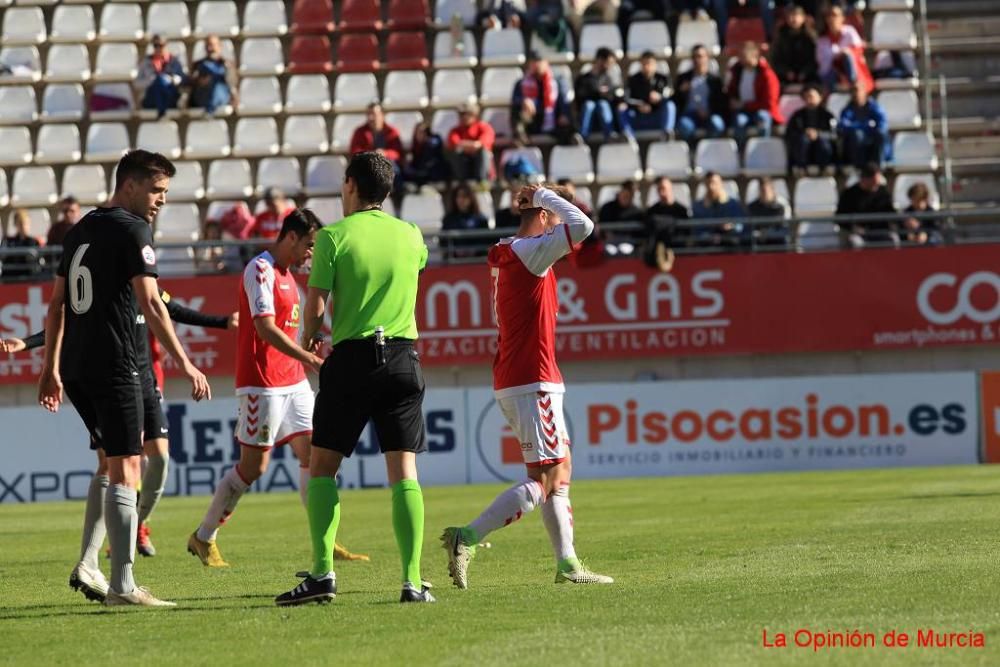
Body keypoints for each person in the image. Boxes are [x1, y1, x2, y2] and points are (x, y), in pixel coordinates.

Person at [38, 150, 212, 607]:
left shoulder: (81, 229)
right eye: (156, 191)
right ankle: (124, 585)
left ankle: (91, 564)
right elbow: (153, 304)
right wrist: (185, 362)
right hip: (115, 364)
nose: (161, 201)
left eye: (166, 193)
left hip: (76, 366)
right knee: (128, 468)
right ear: (129, 185)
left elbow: (56, 304)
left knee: (110, 463)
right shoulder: (133, 229)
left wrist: (50, 369)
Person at [276, 151, 433, 606]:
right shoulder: (410, 234)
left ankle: (323, 575)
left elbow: (317, 303)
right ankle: (412, 581)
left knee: (323, 467)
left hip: (351, 358)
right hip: (403, 357)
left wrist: (308, 340)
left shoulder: (332, 237)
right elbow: (415, 267)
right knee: (404, 471)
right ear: (387, 191)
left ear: (349, 185)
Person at [441, 183, 613, 589]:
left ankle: (568, 564)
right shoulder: (530, 252)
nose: (559, 225)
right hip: (532, 379)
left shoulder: (512, 250)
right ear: (542, 215)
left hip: (523, 377)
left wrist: (548, 199)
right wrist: (543, 196)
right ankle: (466, 537)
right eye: (553, 214)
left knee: (557, 470)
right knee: (547, 480)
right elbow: (583, 225)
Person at [13, 290, 237, 562]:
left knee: (160, 461)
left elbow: (173, 310)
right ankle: (102, 552)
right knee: (117, 464)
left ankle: (137, 525)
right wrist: (27, 344)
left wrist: (223, 322)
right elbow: (65, 320)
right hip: (113, 383)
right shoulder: (104, 286)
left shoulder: (146, 284)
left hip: (148, 382)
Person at [189, 209, 325, 567]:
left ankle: (324, 543)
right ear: (291, 237)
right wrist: (309, 359)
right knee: (253, 469)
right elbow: (264, 328)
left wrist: (306, 347)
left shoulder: (289, 277)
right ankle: (203, 536)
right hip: (261, 382)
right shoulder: (260, 269)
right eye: (309, 245)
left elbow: (286, 328)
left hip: (293, 380)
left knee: (316, 455)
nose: (311, 253)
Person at [725, 41, 783, 143]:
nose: (740, 59)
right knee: (739, 121)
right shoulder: (736, 71)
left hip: (762, 110)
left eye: (744, 55)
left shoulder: (767, 75)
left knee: (763, 118)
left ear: (754, 55)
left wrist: (744, 105)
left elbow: (769, 103)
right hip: (743, 111)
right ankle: (741, 151)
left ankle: (763, 148)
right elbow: (731, 91)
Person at [511, 53, 574, 144]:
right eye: (533, 62)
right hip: (533, 120)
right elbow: (515, 100)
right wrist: (523, 101)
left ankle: (571, 140)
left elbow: (565, 99)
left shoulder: (558, 80)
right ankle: (521, 140)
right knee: (517, 110)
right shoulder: (522, 83)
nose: (536, 65)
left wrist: (564, 113)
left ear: (546, 63)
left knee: (567, 120)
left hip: (554, 121)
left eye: (539, 62)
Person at [673, 44, 727, 142]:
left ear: (707, 58)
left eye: (700, 56)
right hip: (689, 115)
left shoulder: (715, 80)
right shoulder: (683, 78)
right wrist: (681, 91)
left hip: (710, 114)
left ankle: (709, 149)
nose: (697, 60)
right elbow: (674, 101)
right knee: (684, 126)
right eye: (694, 57)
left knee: (717, 124)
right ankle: (692, 150)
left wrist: (709, 112)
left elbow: (721, 103)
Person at [835, 162, 897, 247]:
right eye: (874, 181)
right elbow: (839, 217)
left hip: (879, 232)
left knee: (893, 239)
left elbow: (891, 213)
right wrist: (853, 228)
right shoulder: (849, 194)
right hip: (857, 234)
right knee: (855, 242)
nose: (877, 184)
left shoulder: (883, 192)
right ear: (864, 179)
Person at [816, 5, 873, 93]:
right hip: (831, 73)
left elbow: (858, 51)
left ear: (842, 18)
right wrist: (837, 56)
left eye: (835, 15)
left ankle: (853, 84)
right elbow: (822, 62)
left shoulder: (849, 31)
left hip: (851, 70)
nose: (832, 18)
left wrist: (846, 52)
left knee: (847, 56)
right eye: (829, 16)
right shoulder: (822, 40)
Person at [574, 47, 627, 141]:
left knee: (602, 104)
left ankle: (610, 135)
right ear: (600, 60)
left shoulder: (609, 79)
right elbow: (580, 98)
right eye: (609, 63)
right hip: (590, 118)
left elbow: (616, 96)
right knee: (589, 105)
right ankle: (582, 136)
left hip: (607, 117)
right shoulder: (584, 79)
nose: (610, 66)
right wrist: (598, 93)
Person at [350, 103, 404, 190]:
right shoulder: (359, 132)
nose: (371, 117)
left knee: (395, 170)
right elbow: (355, 152)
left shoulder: (392, 131)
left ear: (382, 115)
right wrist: (372, 155)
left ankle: (395, 196)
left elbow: (397, 153)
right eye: (368, 114)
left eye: (374, 114)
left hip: (387, 166)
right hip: (367, 166)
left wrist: (384, 153)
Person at [785, 84, 837, 175]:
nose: (809, 99)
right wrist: (805, 133)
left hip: (822, 153)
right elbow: (790, 133)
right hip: (803, 153)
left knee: (823, 142)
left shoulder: (828, 115)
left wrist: (818, 134)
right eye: (806, 97)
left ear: (820, 97)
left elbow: (834, 134)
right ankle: (801, 169)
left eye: (811, 96)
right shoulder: (797, 116)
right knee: (803, 140)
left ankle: (824, 169)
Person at [838, 82, 890, 169]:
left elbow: (882, 125)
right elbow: (843, 126)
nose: (855, 93)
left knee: (880, 134)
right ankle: (860, 169)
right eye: (852, 91)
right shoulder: (847, 110)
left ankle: (878, 167)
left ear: (864, 92)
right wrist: (866, 125)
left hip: (873, 144)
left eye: (857, 90)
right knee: (856, 134)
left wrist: (862, 127)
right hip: (856, 147)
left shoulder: (875, 107)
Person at [626, 51, 676, 138]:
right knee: (622, 109)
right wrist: (639, 105)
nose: (647, 67)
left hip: (657, 117)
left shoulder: (663, 79)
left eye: (649, 63)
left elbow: (671, 96)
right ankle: (627, 136)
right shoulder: (633, 80)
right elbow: (626, 99)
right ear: (640, 64)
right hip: (638, 117)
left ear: (655, 64)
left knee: (670, 105)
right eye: (644, 63)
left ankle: (667, 133)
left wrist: (660, 98)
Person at [644, 177, 690, 271]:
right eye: (659, 189)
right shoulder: (652, 211)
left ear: (670, 188)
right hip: (655, 256)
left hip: (678, 255)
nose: (662, 192)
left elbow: (686, 233)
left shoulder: (681, 211)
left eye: (664, 188)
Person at [136, 35, 186, 118]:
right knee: (159, 80)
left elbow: (184, 79)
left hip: (170, 95)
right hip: (152, 97)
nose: (158, 48)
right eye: (156, 46)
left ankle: (161, 112)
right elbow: (136, 83)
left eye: (161, 45)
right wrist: (151, 80)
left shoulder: (175, 61)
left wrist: (173, 79)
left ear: (166, 45)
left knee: (161, 80)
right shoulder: (146, 61)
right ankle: (162, 112)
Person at [692, 172, 747, 248]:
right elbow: (697, 230)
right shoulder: (699, 206)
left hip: (729, 243)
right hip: (707, 245)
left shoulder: (733, 204)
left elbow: (740, 225)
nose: (711, 187)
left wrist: (731, 226)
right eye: (708, 183)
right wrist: (710, 235)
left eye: (714, 183)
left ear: (721, 184)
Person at [770, 5, 818, 86]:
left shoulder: (811, 36)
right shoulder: (780, 36)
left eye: (796, 15)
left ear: (803, 18)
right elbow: (775, 60)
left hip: (808, 75)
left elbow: (816, 59)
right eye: (790, 16)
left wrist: (805, 72)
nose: (793, 19)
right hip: (785, 76)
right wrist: (786, 72)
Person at [446, 102, 495, 183]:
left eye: (466, 114)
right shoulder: (455, 130)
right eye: (461, 114)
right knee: (457, 153)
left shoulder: (483, 127)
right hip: (465, 167)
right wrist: (472, 145)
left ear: (474, 114)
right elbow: (454, 143)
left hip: (481, 167)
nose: (463, 117)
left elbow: (481, 144)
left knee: (482, 152)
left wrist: (466, 145)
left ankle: (481, 182)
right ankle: (462, 184)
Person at [189, 35, 238, 114]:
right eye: (207, 46)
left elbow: (232, 83)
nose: (209, 49)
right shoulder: (197, 65)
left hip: (221, 96)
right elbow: (190, 82)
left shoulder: (227, 64)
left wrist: (227, 70)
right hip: (203, 97)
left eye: (212, 45)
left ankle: (210, 110)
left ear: (219, 46)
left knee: (216, 83)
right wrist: (199, 81)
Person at [442, 182, 491, 258]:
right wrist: (455, 250)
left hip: (476, 262)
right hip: (454, 263)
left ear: (471, 199)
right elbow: (443, 241)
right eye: (458, 196)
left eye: (464, 196)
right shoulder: (448, 219)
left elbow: (486, 241)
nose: (461, 200)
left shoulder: (481, 219)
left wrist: (474, 250)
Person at [402, 122, 450, 187]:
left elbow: (429, 162)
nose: (422, 134)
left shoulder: (433, 143)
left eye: (424, 132)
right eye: (419, 132)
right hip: (421, 174)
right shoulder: (415, 147)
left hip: (434, 174)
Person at [747, 177, 791, 247]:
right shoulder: (752, 207)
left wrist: (768, 233)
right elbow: (748, 227)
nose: (764, 193)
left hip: (776, 242)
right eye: (762, 190)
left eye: (766, 191)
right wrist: (759, 234)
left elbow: (783, 228)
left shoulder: (781, 207)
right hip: (757, 242)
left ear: (772, 190)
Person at [2, 209, 43, 279]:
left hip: (30, 278)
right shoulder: (8, 241)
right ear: (15, 224)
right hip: (10, 278)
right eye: (20, 223)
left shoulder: (34, 242)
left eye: (26, 223)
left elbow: (39, 262)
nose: (23, 226)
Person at [901, 182, 942, 246]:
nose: (914, 202)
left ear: (925, 199)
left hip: (929, 243)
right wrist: (908, 234)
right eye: (912, 199)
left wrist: (924, 233)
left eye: (917, 200)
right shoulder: (907, 212)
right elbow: (900, 230)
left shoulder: (931, 212)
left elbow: (935, 229)